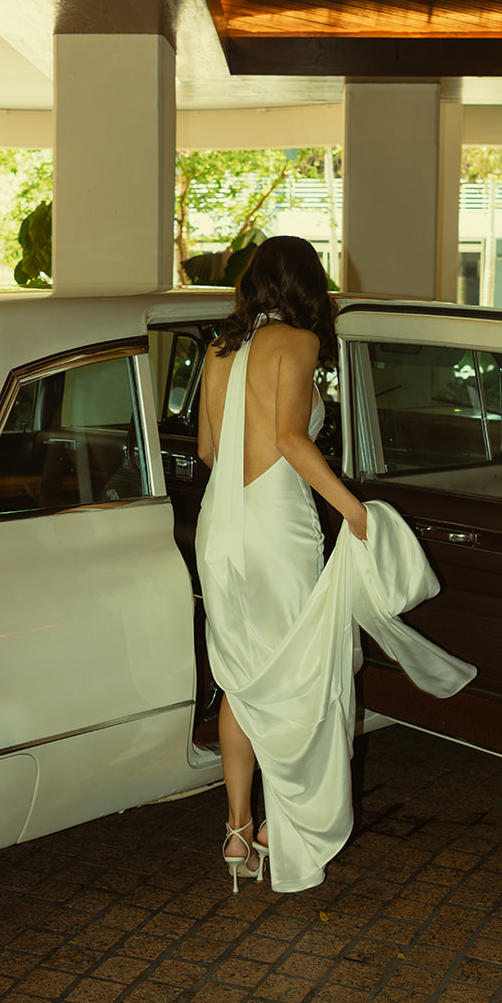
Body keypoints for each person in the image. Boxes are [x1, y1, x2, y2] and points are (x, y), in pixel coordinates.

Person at [195, 235, 369, 894]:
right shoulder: (297, 343)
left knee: (242, 678)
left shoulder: (218, 350)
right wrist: (354, 510)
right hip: (275, 524)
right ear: (307, 285)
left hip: (220, 526)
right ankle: (281, 827)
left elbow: (211, 451)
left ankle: (237, 831)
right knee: (298, 669)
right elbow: (291, 440)